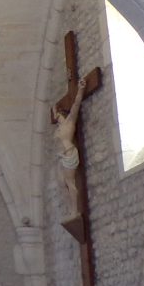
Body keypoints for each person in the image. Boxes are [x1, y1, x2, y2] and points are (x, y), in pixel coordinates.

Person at [52, 78, 87, 215]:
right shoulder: (59, 129)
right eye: (57, 116)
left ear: (63, 114)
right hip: (62, 156)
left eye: (59, 115)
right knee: (62, 184)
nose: (57, 117)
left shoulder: (69, 123)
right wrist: (54, 111)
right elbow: (54, 116)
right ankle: (70, 209)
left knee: (69, 182)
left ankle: (74, 210)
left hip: (69, 153)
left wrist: (81, 89)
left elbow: (76, 104)